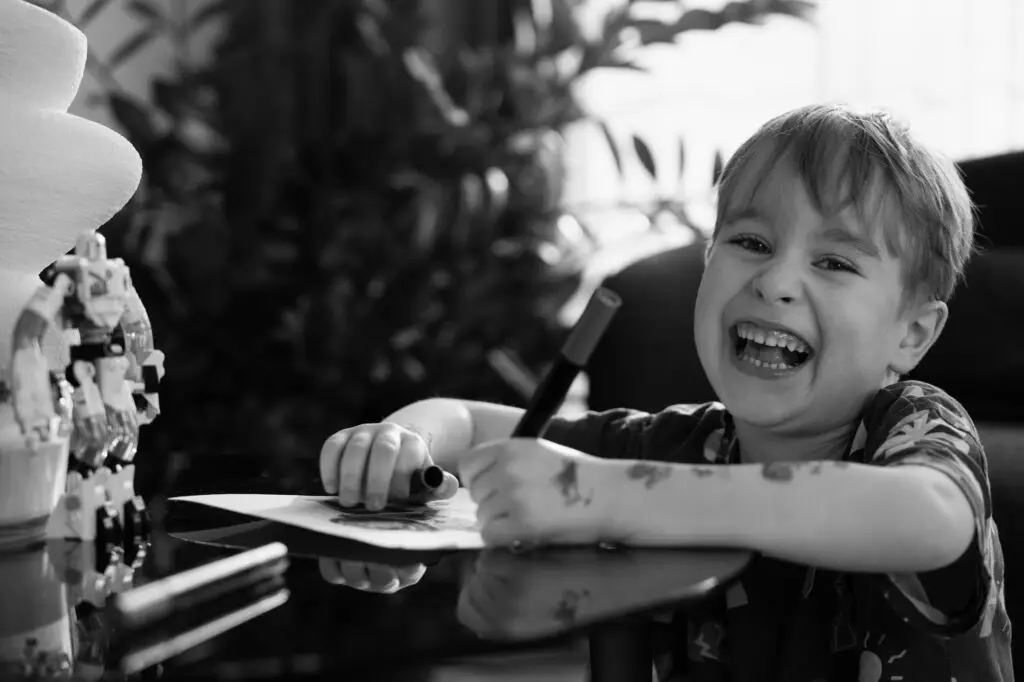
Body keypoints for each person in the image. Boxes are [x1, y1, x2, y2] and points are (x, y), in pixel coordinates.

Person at [319, 104, 1012, 680]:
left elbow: (928, 519)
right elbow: (466, 426)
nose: (775, 282)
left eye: (833, 261)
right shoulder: (672, 444)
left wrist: (614, 495)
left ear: (912, 335)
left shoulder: (915, 426)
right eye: (750, 241)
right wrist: (399, 441)